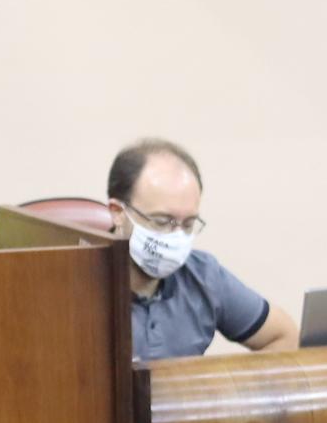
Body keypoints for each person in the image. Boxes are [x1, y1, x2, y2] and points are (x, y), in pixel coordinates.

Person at [107, 139, 299, 361]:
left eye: (188, 224)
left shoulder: (203, 275)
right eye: (161, 221)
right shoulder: (76, 286)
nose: (176, 236)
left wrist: (221, 389)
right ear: (118, 212)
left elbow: (285, 338)